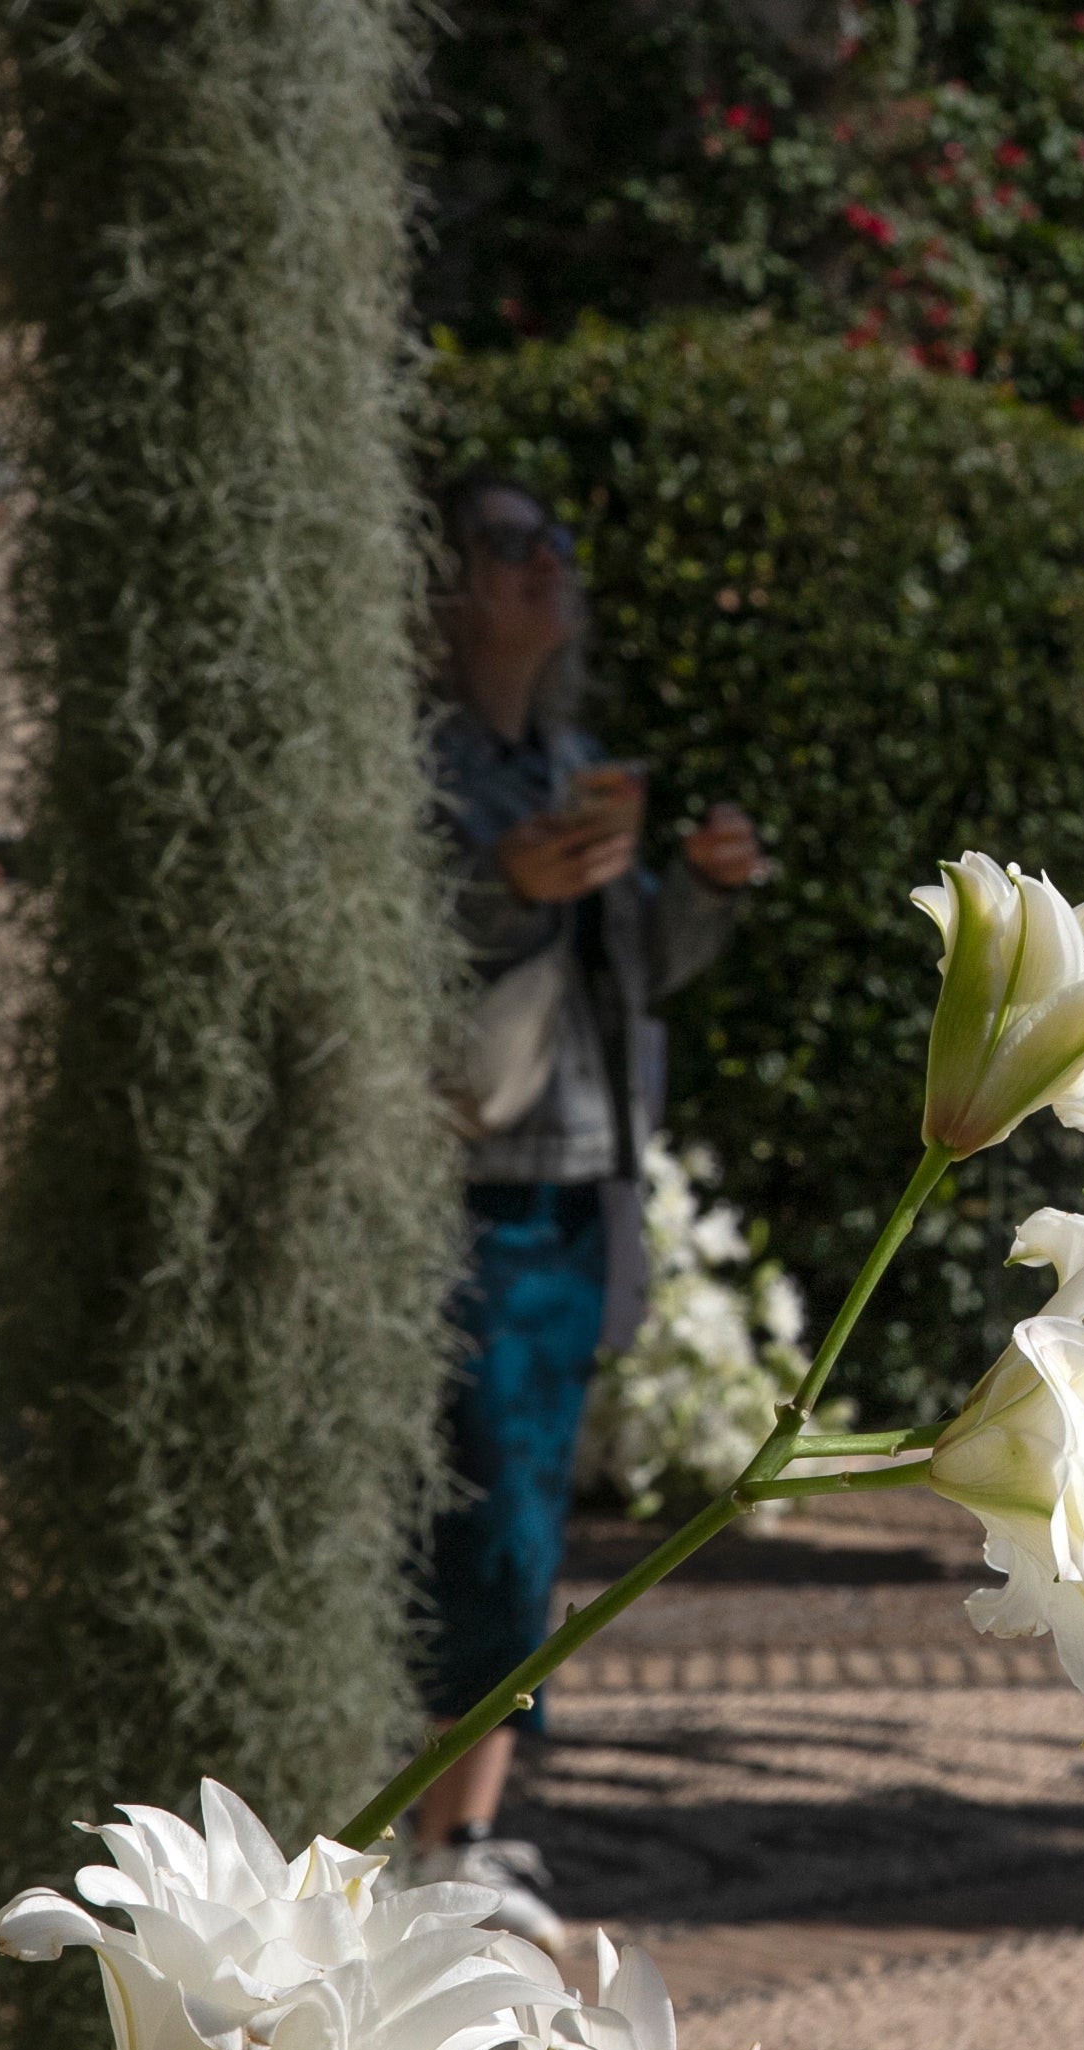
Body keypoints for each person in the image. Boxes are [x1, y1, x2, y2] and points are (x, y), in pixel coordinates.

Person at [417, 472, 769, 1947]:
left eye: (558, 537)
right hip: (463, 1188)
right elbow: (396, 941)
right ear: (439, 580)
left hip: (579, 1180)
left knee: (535, 1505)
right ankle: (430, 1825)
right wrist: (498, 887)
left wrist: (699, 888)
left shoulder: (565, 760)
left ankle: (469, 1828)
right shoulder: (413, 767)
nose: (546, 563)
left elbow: (636, 979)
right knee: (476, 1514)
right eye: (510, 542)